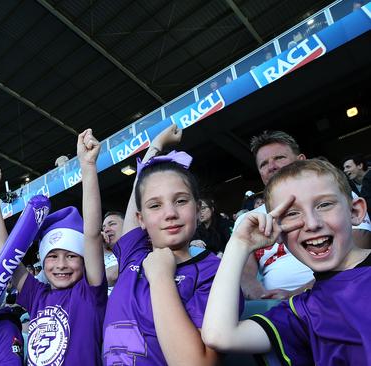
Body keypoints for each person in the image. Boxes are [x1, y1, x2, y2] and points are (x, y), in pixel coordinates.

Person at [203, 159, 371, 364]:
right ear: (278, 233)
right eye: (292, 213)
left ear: (356, 211)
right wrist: (238, 245)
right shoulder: (301, 311)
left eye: (324, 204)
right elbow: (219, 335)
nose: (312, 223)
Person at [0, 128, 107, 365]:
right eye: (52, 256)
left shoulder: (89, 292)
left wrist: (87, 167)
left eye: (71, 256)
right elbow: (2, 250)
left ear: (83, 259)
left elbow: (91, 234)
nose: (61, 265)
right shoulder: (37, 295)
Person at [102, 123, 225, 365]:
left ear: (198, 209)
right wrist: (155, 146)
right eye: (155, 206)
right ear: (141, 219)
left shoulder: (215, 272)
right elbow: (138, 195)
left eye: (180, 201)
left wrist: (161, 277)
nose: (170, 213)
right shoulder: (134, 255)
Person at [237, 131, 371, 299]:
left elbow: (357, 251)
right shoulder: (248, 220)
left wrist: (298, 295)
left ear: (301, 160)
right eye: (263, 164)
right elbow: (244, 273)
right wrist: (263, 298)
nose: (271, 166)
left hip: (343, 289)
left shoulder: (334, 195)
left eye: (279, 157)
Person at [101, 211, 123, 291]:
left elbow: (111, 276)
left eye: (112, 224)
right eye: (103, 228)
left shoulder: (141, 248)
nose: (106, 230)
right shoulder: (99, 256)